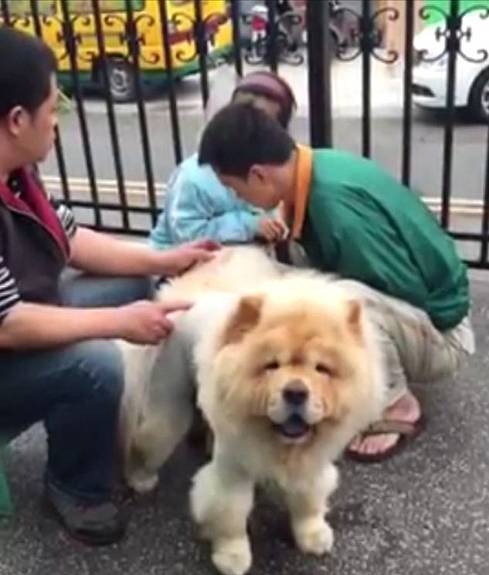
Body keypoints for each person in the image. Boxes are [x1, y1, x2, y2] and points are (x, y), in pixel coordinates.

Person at [0, 26, 218, 546]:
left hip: (24, 317)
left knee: (131, 282)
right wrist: (119, 325)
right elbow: (7, 325)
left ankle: (124, 416)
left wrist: (169, 257)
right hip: (7, 338)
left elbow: (72, 240)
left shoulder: (17, 174)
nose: (58, 121)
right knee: (96, 363)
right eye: (53, 107)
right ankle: (75, 485)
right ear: (16, 120)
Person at [197, 102, 475, 462]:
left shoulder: (335, 208)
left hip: (444, 334)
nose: (238, 198)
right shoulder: (315, 168)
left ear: (258, 175)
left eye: (235, 189)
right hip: (419, 311)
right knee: (285, 276)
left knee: (341, 303)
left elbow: (403, 293)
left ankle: (396, 404)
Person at [148, 71, 297, 250]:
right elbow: (185, 233)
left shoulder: (272, 167)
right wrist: (248, 225)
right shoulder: (194, 177)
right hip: (180, 263)